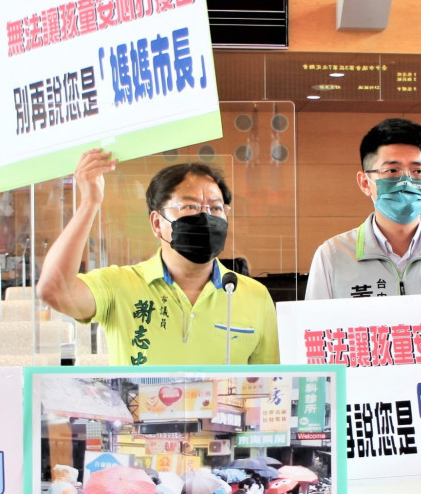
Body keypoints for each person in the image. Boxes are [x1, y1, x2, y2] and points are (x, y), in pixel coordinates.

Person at [38, 149, 279, 366]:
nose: (206, 217)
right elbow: (53, 289)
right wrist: (89, 203)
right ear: (156, 223)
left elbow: (270, 388)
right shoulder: (118, 285)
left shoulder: (255, 295)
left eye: (216, 208)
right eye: (190, 207)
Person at [305, 118, 421, 300]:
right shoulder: (331, 258)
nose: (406, 182)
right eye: (392, 171)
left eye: (418, 171)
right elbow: (313, 326)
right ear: (365, 182)